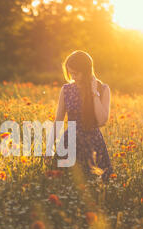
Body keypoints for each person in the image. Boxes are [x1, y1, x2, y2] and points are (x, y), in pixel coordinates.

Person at [48, 50, 114, 183]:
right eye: (70, 73)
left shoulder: (103, 89)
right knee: (63, 182)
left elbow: (102, 120)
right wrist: (49, 147)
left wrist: (94, 92)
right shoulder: (66, 90)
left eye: (76, 73)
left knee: (96, 185)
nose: (73, 76)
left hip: (93, 144)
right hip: (69, 143)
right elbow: (58, 121)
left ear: (86, 71)